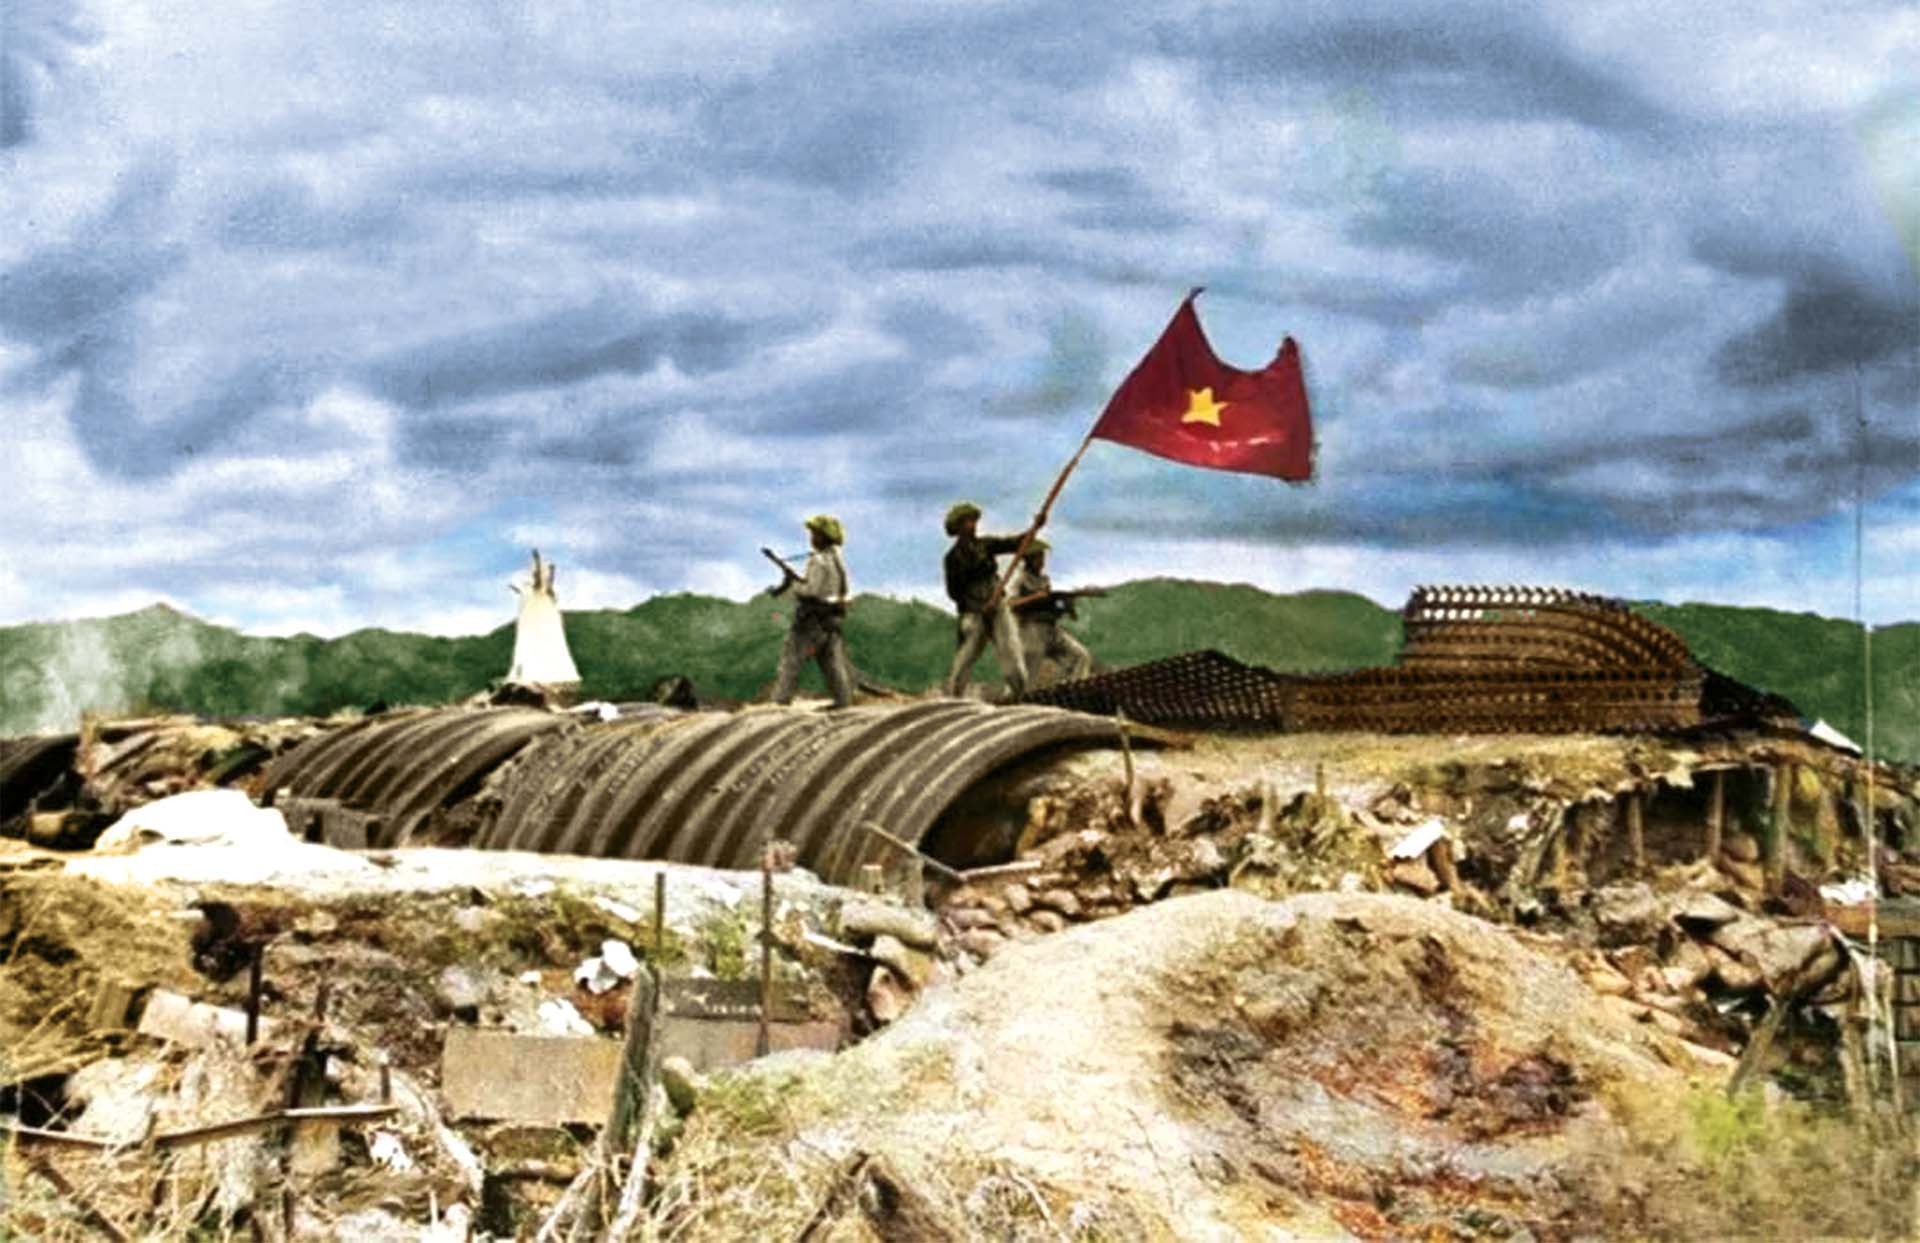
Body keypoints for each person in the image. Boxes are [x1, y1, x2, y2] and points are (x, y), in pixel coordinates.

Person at [941, 501, 1031, 698]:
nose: (972, 525)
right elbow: (954, 592)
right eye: (967, 522)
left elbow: (1013, 543)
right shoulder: (952, 558)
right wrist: (979, 606)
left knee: (1011, 651)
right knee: (965, 659)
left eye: (973, 521)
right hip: (973, 613)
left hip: (997, 606)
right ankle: (954, 698)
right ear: (958, 528)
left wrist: (1034, 528)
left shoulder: (985, 545)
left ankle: (1016, 694)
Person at [772, 514, 853, 709]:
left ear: (822, 537)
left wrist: (793, 584)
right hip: (831, 619)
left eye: (814, 534)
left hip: (811, 619)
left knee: (791, 659)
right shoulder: (837, 560)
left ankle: (781, 702)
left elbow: (812, 591)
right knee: (832, 662)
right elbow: (842, 589)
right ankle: (843, 701)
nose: (812, 538)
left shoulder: (818, 560)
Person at [1008, 539, 1092, 688]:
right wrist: (1035, 597)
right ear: (1029, 559)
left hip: (1051, 628)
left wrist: (1065, 606)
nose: (1042, 561)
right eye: (1038, 557)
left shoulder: (1044, 580)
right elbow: (1011, 604)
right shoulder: (1020, 580)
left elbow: (1052, 604)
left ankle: (1070, 690)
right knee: (1028, 678)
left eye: (1043, 557)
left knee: (1080, 656)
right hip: (1031, 631)